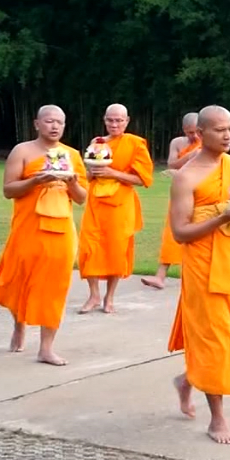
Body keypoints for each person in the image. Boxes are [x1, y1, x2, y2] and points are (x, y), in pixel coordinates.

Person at [167, 105, 230, 445]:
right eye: (219, 129)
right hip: (202, 265)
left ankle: (188, 379)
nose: (227, 135)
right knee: (213, 337)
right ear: (199, 134)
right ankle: (217, 419)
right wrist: (222, 218)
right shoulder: (186, 176)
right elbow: (180, 233)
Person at [0, 105, 88, 366]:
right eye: (49, 121)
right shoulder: (22, 151)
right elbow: (9, 190)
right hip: (28, 227)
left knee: (55, 287)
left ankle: (46, 348)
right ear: (36, 124)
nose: (54, 126)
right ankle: (19, 324)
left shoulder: (72, 155)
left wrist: (72, 182)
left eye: (60, 122)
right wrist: (36, 181)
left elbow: (82, 199)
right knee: (18, 280)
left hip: (61, 230)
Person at [78, 104, 154, 314]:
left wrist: (113, 173)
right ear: (104, 120)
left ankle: (109, 298)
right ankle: (93, 295)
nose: (114, 124)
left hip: (120, 204)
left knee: (116, 250)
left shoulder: (135, 144)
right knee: (88, 247)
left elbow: (143, 179)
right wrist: (92, 172)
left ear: (127, 121)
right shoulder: (97, 143)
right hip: (95, 202)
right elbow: (89, 175)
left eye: (119, 120)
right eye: (110, 120)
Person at [144, 112, 202, 290]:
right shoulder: (177, 143)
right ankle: (160, 276)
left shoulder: (209, 141)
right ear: (184, 130)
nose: (193, 136)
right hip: (181, 192)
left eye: (196, 132)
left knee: (199, 234)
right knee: (172, 231)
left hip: (201, 191)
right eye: (189, 132)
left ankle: (195, 277)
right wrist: (191, 156)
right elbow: (171, 163)